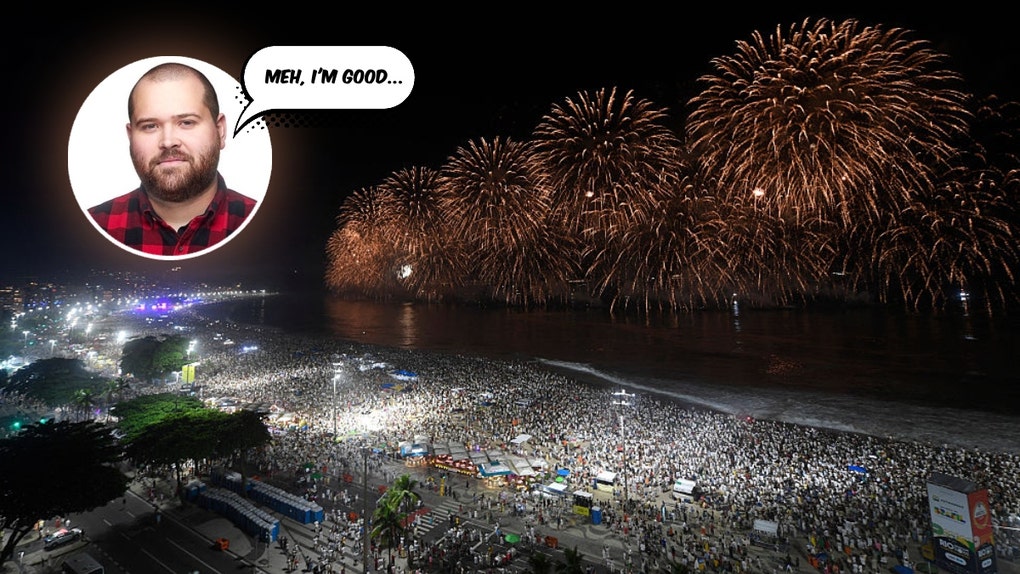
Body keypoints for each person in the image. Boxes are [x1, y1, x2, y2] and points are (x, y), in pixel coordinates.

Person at [88, 62, 256, 257]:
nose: (168, 142)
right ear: (130, 136)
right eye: (150, 126)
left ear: (220, 131)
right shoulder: (95, 225)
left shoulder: (262, 224)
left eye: (186, 122)